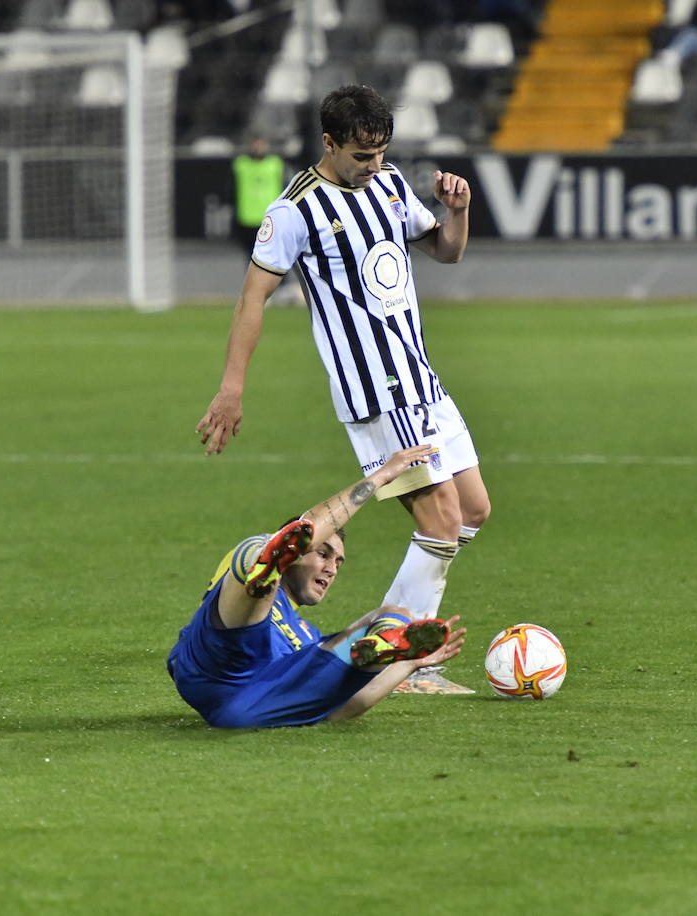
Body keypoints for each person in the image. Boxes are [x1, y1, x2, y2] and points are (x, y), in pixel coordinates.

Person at [196, 84, 491, 696]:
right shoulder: (293, 211)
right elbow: (254, 297)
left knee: (474, 511)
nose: (374, 165)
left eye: (381, 152)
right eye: (361, 155)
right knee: (440, 521)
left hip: (422, 378)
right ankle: (403, 661)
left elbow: (445, 252)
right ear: (328, 143)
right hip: (375, 387)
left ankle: (397, 645)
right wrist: (231, 386)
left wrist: (457, 210)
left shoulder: (387, 185)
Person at [167, 444, 468, 728]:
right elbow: (309, 526)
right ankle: (267, 568)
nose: (331, 568)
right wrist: (380, 477)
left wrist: (409, 663)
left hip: (251, 708)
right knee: (254, 552)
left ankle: (381, 643)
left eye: (338, 563)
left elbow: (344, 707)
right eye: (323, 554)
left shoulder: (307, 638)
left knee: (392, 612)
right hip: (215, 662)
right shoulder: (263, 569)